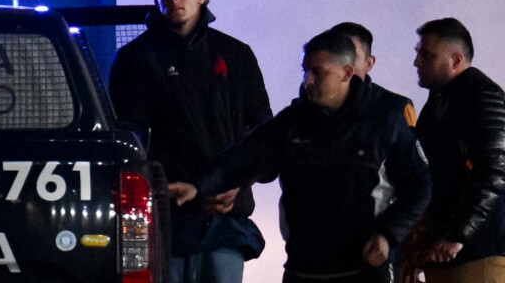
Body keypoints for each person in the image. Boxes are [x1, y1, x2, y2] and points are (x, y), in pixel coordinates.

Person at [170, 29, 431, 283]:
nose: (307, 81)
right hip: (303, 269)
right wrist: (198, 186)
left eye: (318, 72)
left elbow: (419, 184)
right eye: (305, 71)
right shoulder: (292, 121)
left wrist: (387, 235)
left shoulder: (387, 117)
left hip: (364, 270)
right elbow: (244, 157)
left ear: (347, 74)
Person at [109, 0, 272, 283]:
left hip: (227, 215)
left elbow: (262, 133)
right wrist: (191, 188)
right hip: (166, 216)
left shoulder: (236, 54)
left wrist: (235, 182)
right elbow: (128, 142)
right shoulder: (134, 59)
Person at [401, 17, 505, 283]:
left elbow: (493, 171)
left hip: (476, 254)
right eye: (418, 53)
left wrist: (458, 235)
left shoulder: (481, 97)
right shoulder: (443, 98)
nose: (417, 62)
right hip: (449, 253)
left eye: (426, 55)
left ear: (456, 60)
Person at [330, 22, 417, 127]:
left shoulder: (397, 108)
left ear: (369, 63)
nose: (341, 63)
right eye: (335, 55)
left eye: (351, 56)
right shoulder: (312, 102)